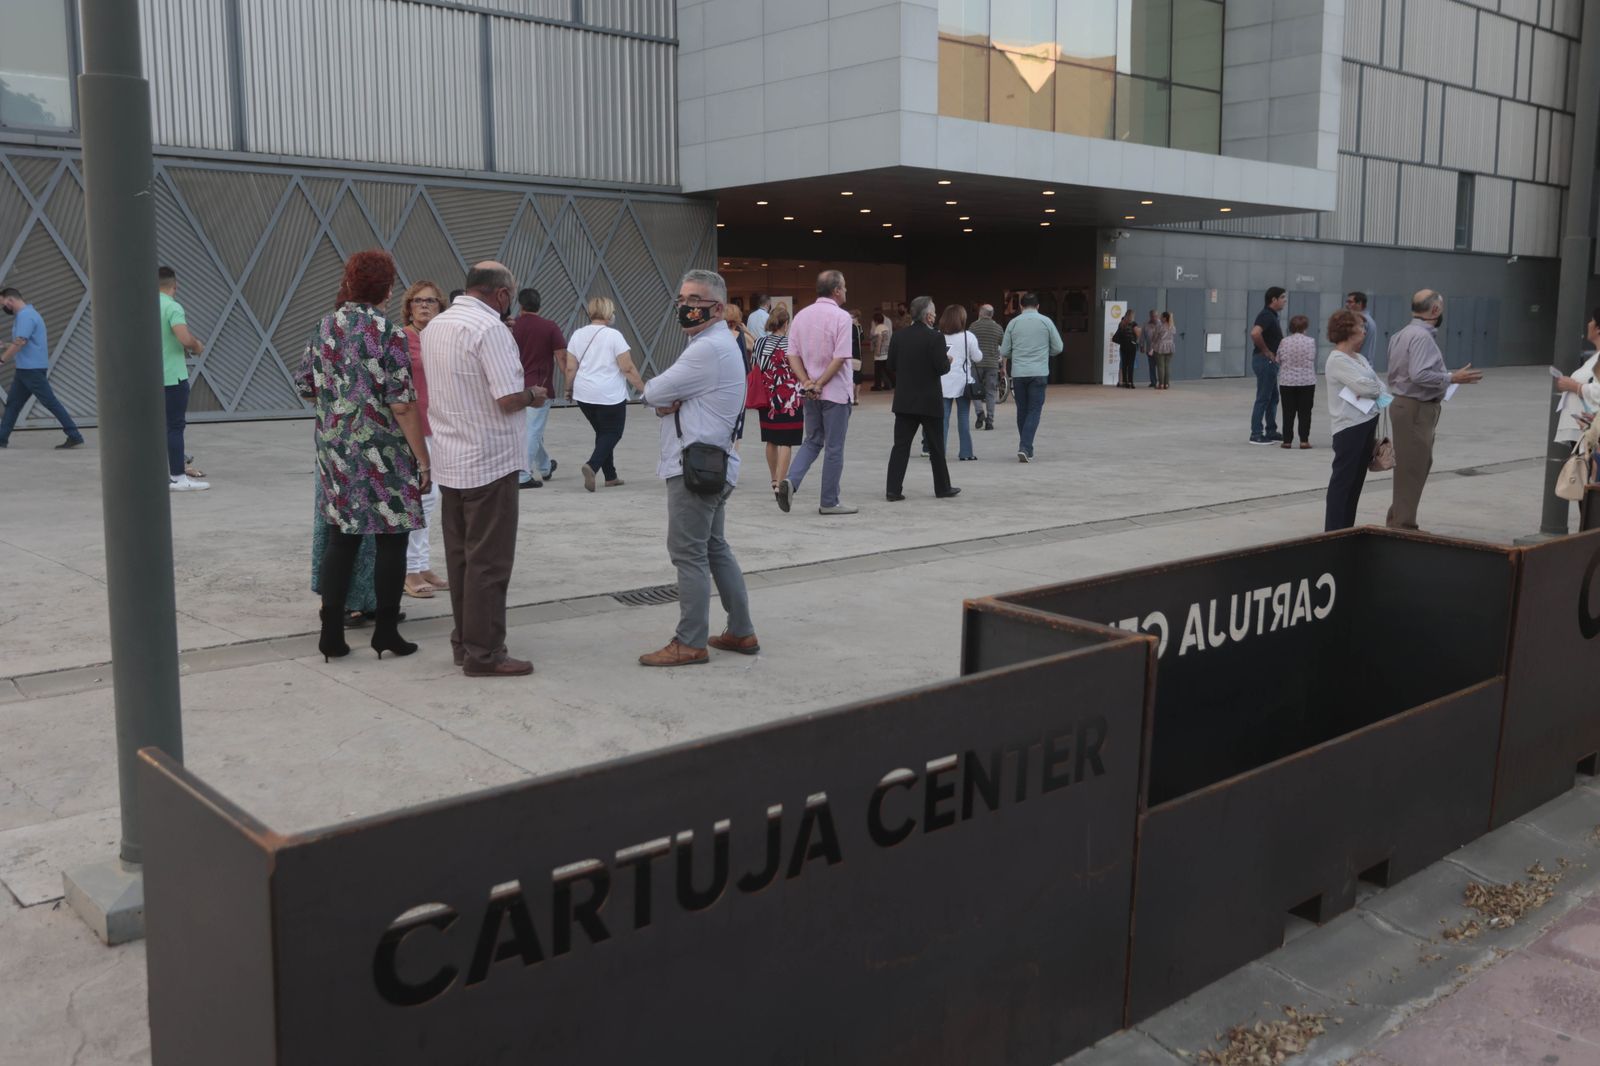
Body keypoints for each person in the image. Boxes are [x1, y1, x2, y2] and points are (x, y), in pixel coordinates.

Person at [297, 251, 428, 663]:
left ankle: (331, 634)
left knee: (342, 538)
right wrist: (422, 459)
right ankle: (386, 632)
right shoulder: (387, 332)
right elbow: (402, 403)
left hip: (336, 448)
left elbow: (306, 385)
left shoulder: (324, 326)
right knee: (393, 541)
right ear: (388, 290)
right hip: (383, 453)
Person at [425, 261, 549, 677]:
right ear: (501, 294)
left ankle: (465, 642)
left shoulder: (438, 325)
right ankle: (485, 652)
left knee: (461, 558)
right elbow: (508, 397)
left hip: (451, 458)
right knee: (490, 562)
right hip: (489, 460)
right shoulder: (490, 329)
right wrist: (535, 393)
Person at [637, 269, 758, 667]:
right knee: (715, 548)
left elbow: (653, 390)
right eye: (682, 300)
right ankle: (740, 630)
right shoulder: (718, 344)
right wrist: (672, 400)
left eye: (694, 302)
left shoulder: (707, 348)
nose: (685, 308)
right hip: (714, 464)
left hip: (695, 467)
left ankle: (690, 641)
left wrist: (667, 399)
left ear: (718, 308)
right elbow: (668, 396)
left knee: (688, 554)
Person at [1384, 289, 1483, 529]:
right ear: (1435, 310)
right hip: (1415, 408)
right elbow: (1419, 374)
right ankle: (1403, 527)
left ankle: (1398, 520)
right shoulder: (1420, 336)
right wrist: (1451, 378)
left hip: (1410, 406)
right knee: (1412, 468)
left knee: (1416, 465)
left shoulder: (1402, 333)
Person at [777, 270, 855, 515]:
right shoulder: (842, 318)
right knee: (834, 447)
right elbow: (841, 357)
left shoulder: (801, 316)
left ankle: (790, 480)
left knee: (812, 441)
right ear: (836, 290)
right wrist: (821, 382)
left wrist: (807, 382)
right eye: (844, 286)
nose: (846, 291)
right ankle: (829, 501)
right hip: (836, 393)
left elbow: (792, 354)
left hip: (809, 393)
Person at [399, 279, 449, 600]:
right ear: (409, 306)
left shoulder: (443, 337)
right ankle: (408, 570)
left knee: (431, 502)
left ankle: (421, 563)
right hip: (414, 429)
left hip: (442, 426)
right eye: (418, 301)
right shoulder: (402, 338)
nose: (425, 306)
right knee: (415, 501)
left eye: (431, 301)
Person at [565, 296, 644, 492]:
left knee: (602, 433)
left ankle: (611, 476)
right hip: (609, 394)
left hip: (584, 394)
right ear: (609, 313)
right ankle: (592, 466)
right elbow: (627, 368)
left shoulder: (577, 335)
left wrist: (568, 388)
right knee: (613, 433)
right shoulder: (613, 335)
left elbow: (570, 368)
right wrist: (645, 389)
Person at [886, 296, 959, 502]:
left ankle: (893, 489)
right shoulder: (935, 338)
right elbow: (941, 368)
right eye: (934, 311)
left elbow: (891, 365)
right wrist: (948, 360)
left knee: (900, 446)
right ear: (928, 316)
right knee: (936, 446)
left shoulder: (899, 337)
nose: (935, 315)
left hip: (905, 399)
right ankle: (942, 487)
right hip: (929, 400)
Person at [1323, 309, 1389, 531]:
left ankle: (1346, 529)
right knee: (1343, 482)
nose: (1364, 331)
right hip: (1349, 428)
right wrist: (1371, 388)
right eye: (1361, 327)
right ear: (1349, 330)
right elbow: (1367, 387)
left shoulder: (1359, 358)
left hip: (1367, 423)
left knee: (1356, 483)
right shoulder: (1337, 359)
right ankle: (1334, 531)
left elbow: (1381, 387)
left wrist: (1371, 388)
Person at [0, 287, 84, 450]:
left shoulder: (26, 316)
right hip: (25, 369)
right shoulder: (24, 316)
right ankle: (2, 438)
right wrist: (5, 345)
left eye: (3, 303)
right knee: (13, 404)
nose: (3, 307)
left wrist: (2, 360)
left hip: (32, 370)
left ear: (10, 300)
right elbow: (24, 343)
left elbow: (21, 342)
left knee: (50, 402)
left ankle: (74, 435)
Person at [511, 287, 567, 491]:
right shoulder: (549, 327)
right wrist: (570, 383)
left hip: (514, 386)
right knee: (533, 430)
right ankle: (523, 475)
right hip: (540, 388)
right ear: (539, 305)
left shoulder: (510, 327)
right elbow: (561, 357)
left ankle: (544, 466)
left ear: (521, 304)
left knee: (530, 429)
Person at [158, 267, 208, 490]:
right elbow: (184, 338)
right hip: (172, 377)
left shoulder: (141, 305)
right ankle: (178, 477)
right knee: (174, 427)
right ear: (174, 286)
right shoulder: (172, 306)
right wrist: (197, 346)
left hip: (147, 377)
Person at [999, 291, 1062, 463]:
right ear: (1038, 306)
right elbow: (1058, 347)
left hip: (1019, 373)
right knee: (1034, 410)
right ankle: (1025, 447)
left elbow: (1004, 351)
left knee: (1022, 410)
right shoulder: (1046, 321)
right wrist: (1044, 352)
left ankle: (1027, 447)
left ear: (1020, 306)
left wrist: (1016, 353)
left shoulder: (1013, 323)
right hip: (1039, 372)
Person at [753, 302, 802, 493]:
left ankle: (774, 479)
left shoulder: (759, 342)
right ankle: (782, 483)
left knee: (771, 439)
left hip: (766, 396)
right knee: (786, 441)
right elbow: (798, 369)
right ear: (786, 323)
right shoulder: (791, 343)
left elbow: (754, 366)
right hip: (788, 397)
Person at [938, 304, 981, 462]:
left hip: (942, 382)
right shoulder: (968, 336)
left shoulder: (938, 336)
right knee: (963, 417)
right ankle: (966, 452)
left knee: (943, 419)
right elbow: (977, 357)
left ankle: (939, 453)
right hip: (963, 382)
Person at [1552, 309, 1600, 446]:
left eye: (1592, 320)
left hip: (1591, 432)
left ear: (1598, 329)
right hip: (1584, 429)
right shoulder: (1595, 357)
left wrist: (1573, 386)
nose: (1589, 324)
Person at [1249, 287, 1287, 444]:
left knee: (1273, 397)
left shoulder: (1271, 316)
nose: (1285, 300)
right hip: (1265, 361)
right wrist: (1267, 351)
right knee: (1263, 397)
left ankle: (1271, 431)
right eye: (1283, 297)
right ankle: (1256, 433)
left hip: (1269, 362)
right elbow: (1255, 333)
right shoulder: (1266, 315)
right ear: (1273, 300)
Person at [1276, 314, 1318, 449]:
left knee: (1288, 411)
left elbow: (1278, 359)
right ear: (1305, 327)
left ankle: (1287, 440)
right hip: (1306, 380)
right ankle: (1304, 440)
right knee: (1305, 412)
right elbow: (1312, 357)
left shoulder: (1284, 341)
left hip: (1287, 381)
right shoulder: (1310, 341)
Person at [969, 303, 1003, 427]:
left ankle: (979, 413)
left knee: (975, 390)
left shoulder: (973, 326)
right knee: (991, 391)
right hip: (992, 364)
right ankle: (990, 420)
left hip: (976, 364)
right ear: (992, 315)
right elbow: (1002, 346)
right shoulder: (998, 328)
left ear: (980, 313)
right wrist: (1003, 366)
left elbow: (969, 344)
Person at [1346, 292, 1379, 365]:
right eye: (1347, 302)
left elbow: (1357, 345)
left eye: (1350, 302)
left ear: (1359, 304)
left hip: (1357, 365)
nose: (1347, 305)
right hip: (1364, 364)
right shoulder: (1369, 319)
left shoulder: (1360, 321)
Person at [1112, 310, 1140, 389]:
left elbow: (1118, 334)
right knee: (1131, 365)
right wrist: (1137, 341)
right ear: (1132, 315)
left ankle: (1124, 382)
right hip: (1132, 346)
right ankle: (1130, 382)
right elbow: (1137, 334)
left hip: (1123, 346)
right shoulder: (1134, 324)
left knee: (1124, 364)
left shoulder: (1122, 323)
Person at [1151, 310, 1176, 390]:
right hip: (1170, 346)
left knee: (1160, 366)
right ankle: (1167, 384)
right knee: (1167, 366)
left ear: (1165, 318)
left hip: (1160, 347)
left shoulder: (1160, 326)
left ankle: (1161, 384)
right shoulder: (1172, 326)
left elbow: (1155, 336)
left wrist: (1152, 343)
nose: (1160, 318)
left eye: (1161, 316)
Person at [870, 310, 892, 391]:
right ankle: (889, 384)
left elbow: (879, 339)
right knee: (886, 370)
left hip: (880, 353)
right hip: (886, 351)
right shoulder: (886, 327)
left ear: (875, 321)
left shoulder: (878, 328)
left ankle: (878, 385)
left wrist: (877, 350)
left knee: (878, 371)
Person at [1142, 309, 1160, 388]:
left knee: (1160, 366)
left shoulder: (1161, 324)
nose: (1154, 318)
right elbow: (1142, 336)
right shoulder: (1146, 324)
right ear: (1150, 316)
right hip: (1149, 349)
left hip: (1160, 349)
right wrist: (1142, 346)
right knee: (1151, 366)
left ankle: (1161, 382)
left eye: (1155, 316)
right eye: (1152, 316)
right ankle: (1153, 382)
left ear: (1158, 316)